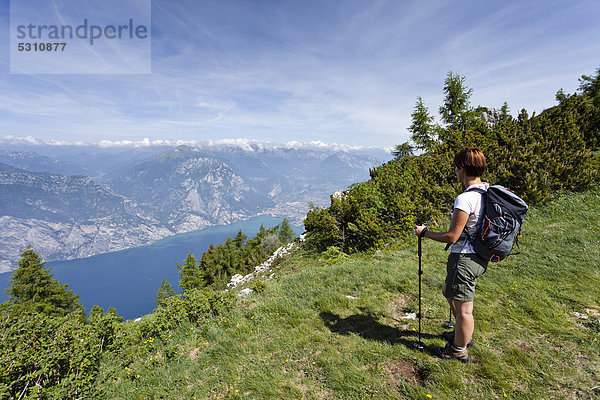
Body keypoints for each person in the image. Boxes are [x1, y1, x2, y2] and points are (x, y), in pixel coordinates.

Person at [414, 147, 489, 363]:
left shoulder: (465, 199)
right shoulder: (487, 191)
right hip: (480, 255)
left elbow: (452, 236)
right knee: (448, 290)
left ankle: (458, 349)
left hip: (465, 257)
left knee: (465, 309)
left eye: (456, 167)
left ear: (463, 169)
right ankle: (462, 334)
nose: (455, 172)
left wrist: (425, 233)